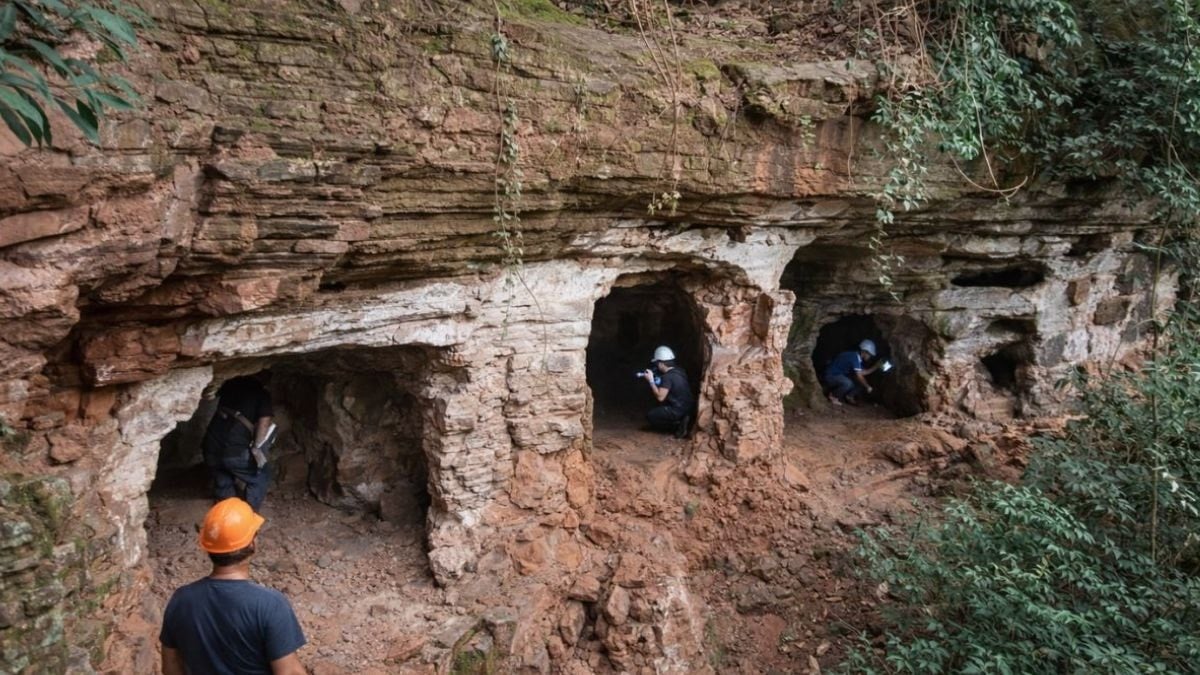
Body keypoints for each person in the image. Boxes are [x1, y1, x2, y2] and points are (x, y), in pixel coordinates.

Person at [160, 498, 306, 675]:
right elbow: (289, 672)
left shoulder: (181, 600)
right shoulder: (270, 604)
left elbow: (171, 666)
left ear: (208, 548)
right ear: (252, 544)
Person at [202, 374, 275, 511]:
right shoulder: (262, 394)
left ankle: (226, 516)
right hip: (234, 451)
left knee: (223, 476)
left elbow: (210, 394)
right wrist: (256, 448)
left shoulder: (230, 384)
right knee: (260, 476)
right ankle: (247, 518)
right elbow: (264, 422)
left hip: (211, 446)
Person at [640, 345, 695, 438]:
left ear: (661, 364)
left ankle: (678, 426)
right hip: (689, 407)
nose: (656, 366)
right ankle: (683, 419)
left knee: (651, 416)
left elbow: (660, 397)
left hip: (677, 409)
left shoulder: (667, 377)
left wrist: (651, 381)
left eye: (657, 363)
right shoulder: (680, 371)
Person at [823, 339, 883, 406]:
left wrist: (876, 367)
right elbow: (859, 376)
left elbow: (862, 373)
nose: (870, 357)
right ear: (864, 351)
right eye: (870, 354)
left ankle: (849, 396)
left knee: (859, 383)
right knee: (848, 383)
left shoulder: (857, 358)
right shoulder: (854, 357)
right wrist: (868, 387)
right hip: (830, 376)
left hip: (838, 376)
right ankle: (833, 396)